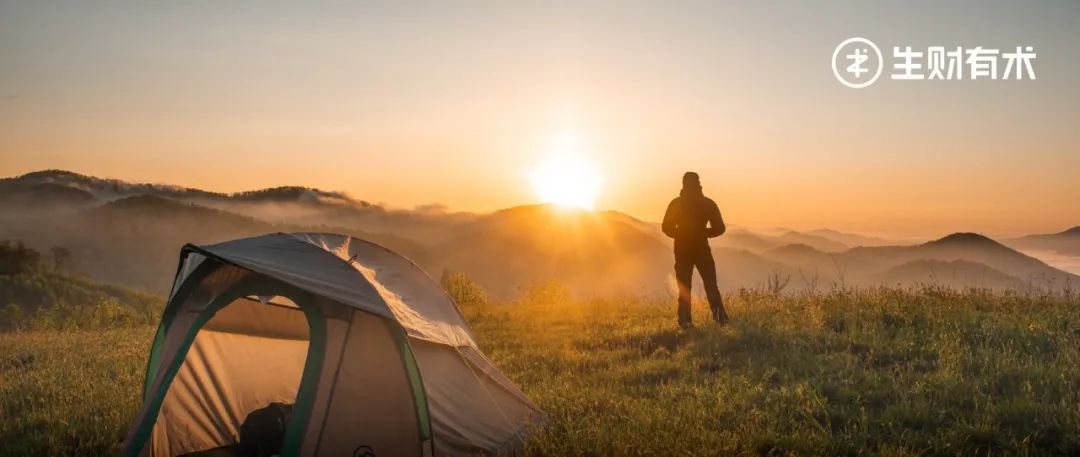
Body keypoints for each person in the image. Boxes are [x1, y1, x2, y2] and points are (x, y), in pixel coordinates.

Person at [661, 172, 730, 328]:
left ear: (683, 184)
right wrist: (702, 233)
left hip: (682, 249)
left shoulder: (676, 204)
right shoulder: (708, 204)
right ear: (699, 183)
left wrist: (680, 233)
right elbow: (720, 228)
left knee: (684, 287)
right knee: (711, 284)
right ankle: (721, 319)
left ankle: (685, 322)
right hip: (701, 248)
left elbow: (666, 227)